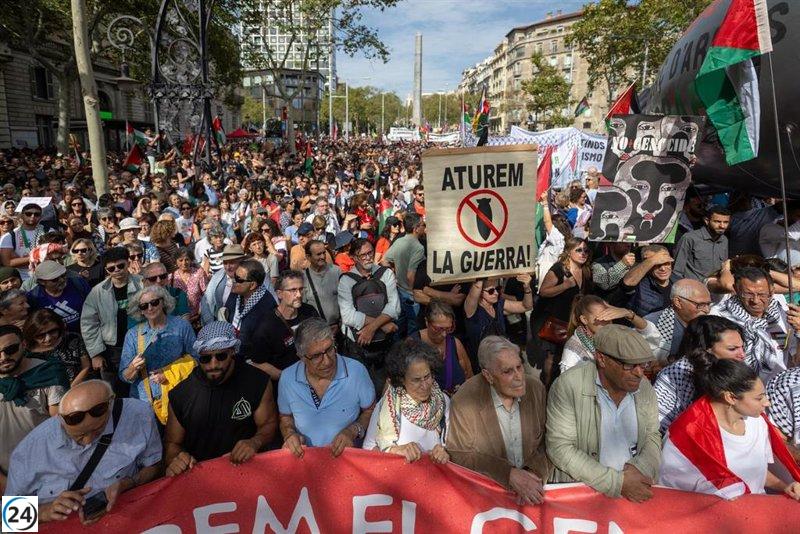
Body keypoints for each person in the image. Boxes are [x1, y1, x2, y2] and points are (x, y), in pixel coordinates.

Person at [4, 380, 162, 524]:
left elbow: (155, 465)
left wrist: (130, 483)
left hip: (125, 522)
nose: (88, 441)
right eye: (79, 436)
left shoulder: (137, 415)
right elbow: (7, 518)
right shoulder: (30, 450)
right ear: (60, 420)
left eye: (98, 431)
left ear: (110, 404)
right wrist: (44, 512)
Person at [546, 324, 661, 501]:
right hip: (584, 496)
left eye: (643, 364)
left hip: (632, 492)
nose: (639, 373)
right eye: (629, 365)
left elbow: (652, 435)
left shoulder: (644, 388)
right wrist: (617, 483)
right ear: (601, 359)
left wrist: (639, 469)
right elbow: (560, 448)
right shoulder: (569, 386)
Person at [659, 359, 800, 500]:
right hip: (709, 511)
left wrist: (785, 487)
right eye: (759, 398)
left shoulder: (757, 422)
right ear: (731, 397)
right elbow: (674, 491)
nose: (767, 403)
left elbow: (757, 472)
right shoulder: (687, 434)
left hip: (755, 508)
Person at [164, 322, 278, 476]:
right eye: (205, 358)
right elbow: (172, 443)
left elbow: (268, 424)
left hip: (247, 473)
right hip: (202, 479)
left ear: (232, 352)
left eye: (221, 356)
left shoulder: (257, 381)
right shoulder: (181, 394)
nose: (213, 364)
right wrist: (176, 460)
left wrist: (255, 442)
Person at [446, 336, 549, 505]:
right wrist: (508, 474)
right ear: (488, 376)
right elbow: (459, 455)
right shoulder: (465, 400)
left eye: (519, 367)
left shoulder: (536, 389)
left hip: (532, 496)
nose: (519, 377)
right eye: (508, 371)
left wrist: (532, 474)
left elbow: (547, 441)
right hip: (487, 500)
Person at [279, 318, 375, 457]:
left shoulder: (356, 371)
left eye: (330, 349)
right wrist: (290, 434)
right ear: (302, 357)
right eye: (316, 356)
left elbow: (371, 410)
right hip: (305, 460)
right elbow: (285, 416)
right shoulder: (287, 378)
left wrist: (353, 431)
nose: (327, 361)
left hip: (347, 459)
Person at [0, 324, 68, 494]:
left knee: (63, 510)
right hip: (7, 478)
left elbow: (62, 425)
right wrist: (5, 484)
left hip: (51, 472)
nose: (3, 357)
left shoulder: (48, 373)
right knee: (22, 514)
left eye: (10, 349)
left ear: (23, 344)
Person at [654, 316, 746, 433]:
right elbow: (658, 425)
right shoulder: (676, 374)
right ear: (707, 349)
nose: (742, 355)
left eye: (742, 347)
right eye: (732, 349)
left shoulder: (740, 369)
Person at [363, 338, 449, 463]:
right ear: (401, 380)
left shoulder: (443, 401)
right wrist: (394, 451)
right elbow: (368, 449)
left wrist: (444, 453)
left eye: (427, 377)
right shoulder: (387, 406)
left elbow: (449, 446)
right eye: (416, 380)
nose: (425, 385)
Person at [711, 267, 796, 382]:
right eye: (748, 294)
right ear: (735, 289)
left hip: (779, 386)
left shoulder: (786, 315)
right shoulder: (718, 316)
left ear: (772, 291)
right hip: (738, 386)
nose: (755, 301)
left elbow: (795, 358)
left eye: (762, 294)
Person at [80, 247, 144, 396]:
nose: (117, 270)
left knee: (141, 388)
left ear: (128, 263)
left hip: (140, 344)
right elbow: (88, 324)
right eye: (111, 268)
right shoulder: (97, 292)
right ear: (106, 270)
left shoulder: (142, 284)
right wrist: (96, 354)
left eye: (121, 265)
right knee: (114, 393)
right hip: (111, 350)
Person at [119, 285, 196, 405]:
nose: (150, 308)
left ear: (163, 302)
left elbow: (197, 359)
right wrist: (133, 367)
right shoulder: (133, 335)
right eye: (144, 306)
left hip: (177, 397)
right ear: (140, 311)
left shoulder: (182, 326)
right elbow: (124, 376)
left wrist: (169, 373)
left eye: (154, 302)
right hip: (144, 401)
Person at [338, 238, 400, 387]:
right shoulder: (346, 281)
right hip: (358, 345)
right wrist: (383, 325)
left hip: (385, 344)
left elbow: (394, 307)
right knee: (360, 385)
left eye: (370, 253)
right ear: (353, 257)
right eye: (363, 255)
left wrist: (371, 328)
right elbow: (348, 316)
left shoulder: (386, 274)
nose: (368, 257)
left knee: (387, 384)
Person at [529, 237, 591, 383]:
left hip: (572, 321)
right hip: (554, 319)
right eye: (579, 250)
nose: (583, 253)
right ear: (569, 252)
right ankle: (548, 387)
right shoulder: (559, 269)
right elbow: (543, 291)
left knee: (567, 354)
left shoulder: (586, 271)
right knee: (553, 357)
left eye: (586, 250)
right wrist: (565, 285)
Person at [248, 270, 317, 381]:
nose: (299, 295)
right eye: (293, 290)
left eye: (301, 289)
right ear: (279, 294)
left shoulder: (309, 312)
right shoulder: (266, 325)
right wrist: (287, 378)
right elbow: (258, 363)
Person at [560, 295, 651, 374]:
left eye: (610, 315)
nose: (607, 321)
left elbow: (649, 335)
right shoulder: (572, 352)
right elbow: (569, 386)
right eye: (602, 317)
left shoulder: (614, 336)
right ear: (584, 319)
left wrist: (628, 314)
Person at [642, 279, 712, 363]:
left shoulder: (710, 325)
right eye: (700, 305)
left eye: (708, 304)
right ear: (678, 302)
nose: (707, 310)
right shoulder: (650, 325)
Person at [412, 300, 473, 395]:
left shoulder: (455, 343)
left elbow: (469, 375)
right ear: (427, 322)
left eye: (449, 329)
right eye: (438, 329)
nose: (444, 334)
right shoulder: (413, 344)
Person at [382, 212, 426, 336]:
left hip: (399, 291)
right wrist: (414, 293)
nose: (424, 226)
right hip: (410, 294)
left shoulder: (399, 241)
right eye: (422, 224)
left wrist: (395, 273)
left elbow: (384, 261)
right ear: (416, 228)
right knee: (413, 329)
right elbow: (410, 275)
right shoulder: (418, 247)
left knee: (399, 327)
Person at [24, 308, 90, 385]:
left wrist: (72, 387)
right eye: (40, 335)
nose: (48, 338)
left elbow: (86, 366)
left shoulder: (73, 338)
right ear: (31, 335)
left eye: (52, 331)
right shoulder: (26, 353)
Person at [27, 260, 90, 334]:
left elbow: (94, 306)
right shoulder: (33, 298)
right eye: (55, 279)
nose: (62, 280)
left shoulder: (78, 284)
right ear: (42, 282)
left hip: (87, 332)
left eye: (63, 275)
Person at [673, 205, 730, 282]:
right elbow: (677, 270)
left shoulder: (724, 240)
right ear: (707, 221)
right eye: (717, 221)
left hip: (714, 286)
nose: (722, 226)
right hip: (692, 286)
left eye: (726, 222)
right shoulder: (690, 238)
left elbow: (723, 268)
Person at [619, 245, 679, 316]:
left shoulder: (679, 281)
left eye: (666, 263)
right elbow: (627, 282)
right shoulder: (639, 283)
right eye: (657, 264)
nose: (663, 269)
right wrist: (653, 259)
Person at [200, 244, 247, 325]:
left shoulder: (251, 277)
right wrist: (212, 324)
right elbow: (206, 301)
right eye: (225, 263)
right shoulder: (217, 277)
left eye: (232, 262)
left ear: (241, 262)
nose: (228, 267)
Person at [302, 239, 341, 332]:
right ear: (308, 257)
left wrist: (340, 324)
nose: (323, 257)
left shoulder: (336, 271)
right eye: (318, 254)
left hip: (338, 328)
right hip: (317, 331)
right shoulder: (303, 278)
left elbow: (346, 301)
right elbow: (303, 307)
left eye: (324, 253)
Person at [0, 202, 45, 280]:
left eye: (37, 214)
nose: (32, 216)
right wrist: (39, 256)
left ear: (41, 217)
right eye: (28, 214)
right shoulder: (9, 236)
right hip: (22, 278)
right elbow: (8, 263)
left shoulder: (49, 231)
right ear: (22, 215)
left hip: (46, 276)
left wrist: (20, 260)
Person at [169, 247, 208, 320]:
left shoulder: (199, 273)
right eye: (180, 260)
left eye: (187, 259)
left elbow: (206, 294)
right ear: (176, 261)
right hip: (179, 320)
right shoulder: (171, 277)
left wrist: (201, 310)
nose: (184, 263)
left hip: (198, 317)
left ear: (191, 260)